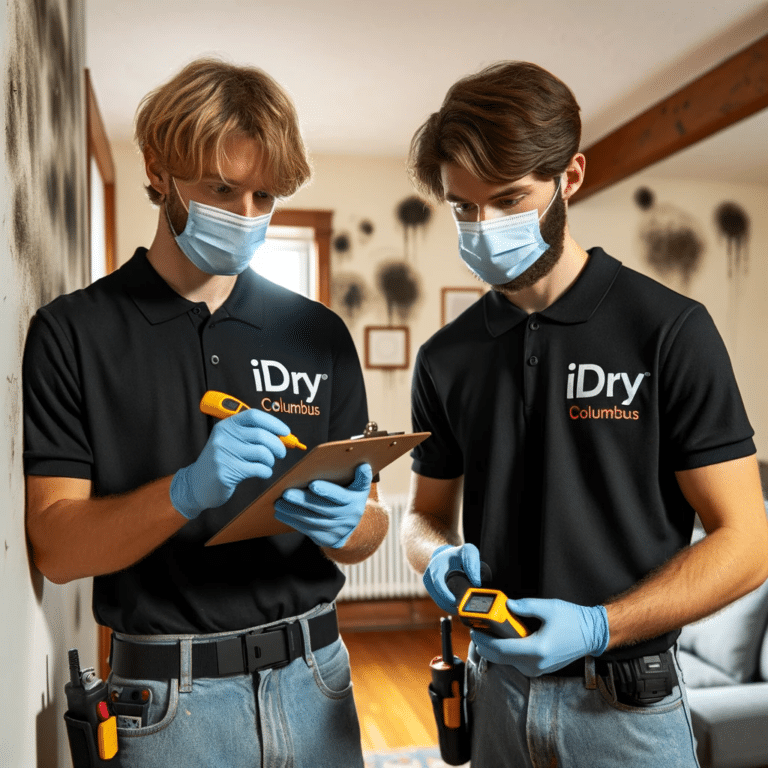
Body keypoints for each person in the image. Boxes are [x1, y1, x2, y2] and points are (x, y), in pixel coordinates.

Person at [401, 61, 768, 767]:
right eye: (463, 207)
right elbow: (426, 515)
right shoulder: (446, 357)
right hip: (494, 699)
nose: (484, 227)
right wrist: (434, 556)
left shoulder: (668, 331)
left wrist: (602, 626)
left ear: (570, 177)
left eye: (509, 199)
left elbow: (747, 543)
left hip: (627, 712)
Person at [24, 58, 387, 767]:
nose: (246, 216)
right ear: (158, 169)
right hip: (167, 708)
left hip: (320, 680)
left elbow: (366, 523)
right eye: (221, 189)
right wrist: (185, 491)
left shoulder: (319, 334)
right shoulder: (75, 332)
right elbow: (59, 550)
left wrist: (357, 525)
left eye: (264, 196)